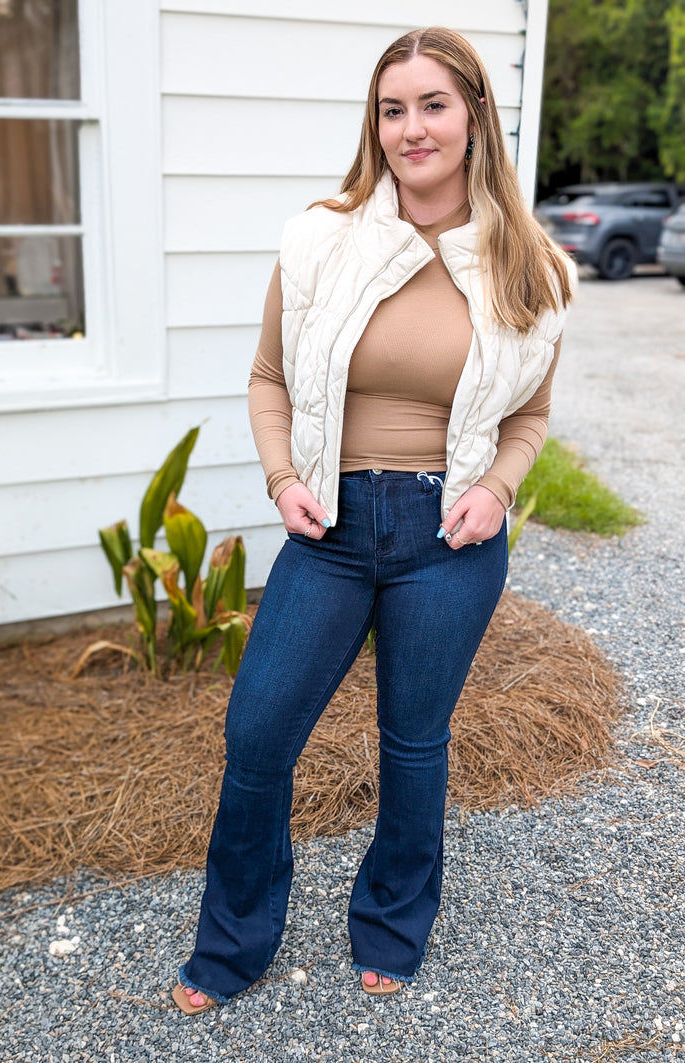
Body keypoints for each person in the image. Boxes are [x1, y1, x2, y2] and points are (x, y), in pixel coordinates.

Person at [172, 25, 576, 1015]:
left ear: (475, 113)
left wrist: (497, 489)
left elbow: (526, 415)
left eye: (431, 104)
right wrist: (279, 479)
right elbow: (269, 377)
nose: (408, 129)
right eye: (390, 109)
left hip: (449, 536)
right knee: (258, 734)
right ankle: (232, 943)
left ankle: (392, 923)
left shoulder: (533, 268)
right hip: (331, 529)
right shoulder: (319, 236)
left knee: (412, 742)